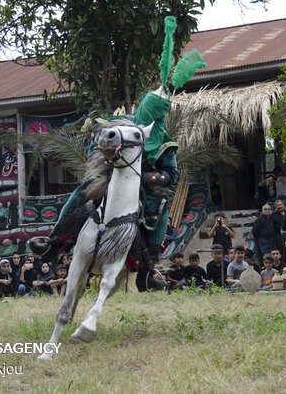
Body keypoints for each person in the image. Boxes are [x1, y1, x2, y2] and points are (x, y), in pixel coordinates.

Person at [29, 86, 179, 293]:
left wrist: (145, 177)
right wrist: (111, 162)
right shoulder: (118, 126)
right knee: (82, 192)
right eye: (154, 110)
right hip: (109, 177)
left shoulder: (166, 142)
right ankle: (53, 244)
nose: (156, 116)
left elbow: (172, 175)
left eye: (161, 113)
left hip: (143, 186)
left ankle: (147, 271)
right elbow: (95, 147)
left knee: (161, 211)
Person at [270, 200, 286, 265]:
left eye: (280, 205)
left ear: (283, 205)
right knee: (282, 252)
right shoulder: (273, 216)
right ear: (276, 207)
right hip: (279, 237)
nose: (280, 206)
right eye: (278, 205)